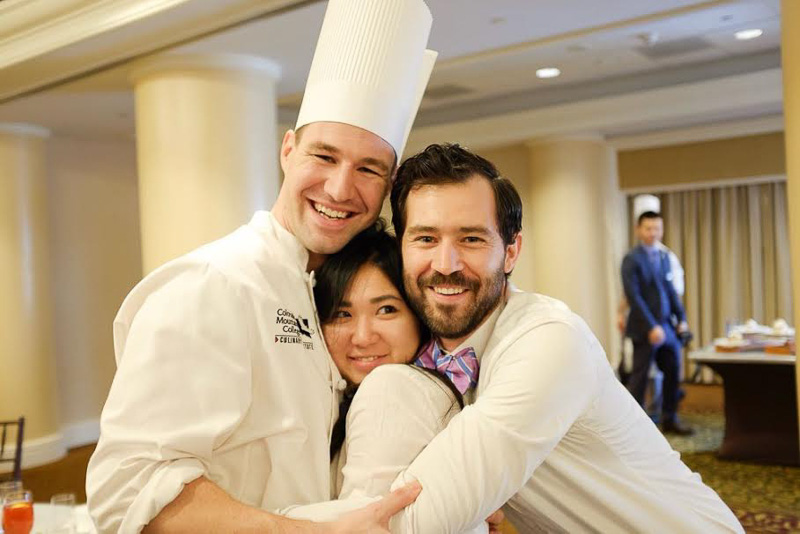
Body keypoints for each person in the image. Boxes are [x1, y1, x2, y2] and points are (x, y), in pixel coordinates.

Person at [85, 0, 437, 532]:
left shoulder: (326, 291)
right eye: (324, 156)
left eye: (369, 168)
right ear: (288, 151)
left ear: (387, 186)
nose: (341, 189)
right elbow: (128, 487)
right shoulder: (213, 284)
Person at [376, 143, 741, 533]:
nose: (446, 265)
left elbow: (419, 520)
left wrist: (303, 523)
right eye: (425, 239)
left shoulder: (549, 340)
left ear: (511, 252)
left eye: (471, 239)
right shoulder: (418, 350)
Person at [282, 222, 501, 534]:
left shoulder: (391, 386)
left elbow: (368, 523)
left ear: (418, 315)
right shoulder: (353, 397)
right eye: (342, 314)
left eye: (386, 310)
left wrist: (248, 518)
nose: (362, 336)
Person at [622, 210, 694, 435]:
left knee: (673, 371)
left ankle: (670, 418)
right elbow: (633, 296)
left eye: (657, 228)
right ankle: (635, 428)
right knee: (639, 378)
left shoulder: (664, 257)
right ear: (639, 230)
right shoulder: (631, 259)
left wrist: (681, 319)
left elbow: (671, 291)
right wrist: (651, 326)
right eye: (648, 228)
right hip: (644, 329)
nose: (653, 233)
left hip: (667, 327)